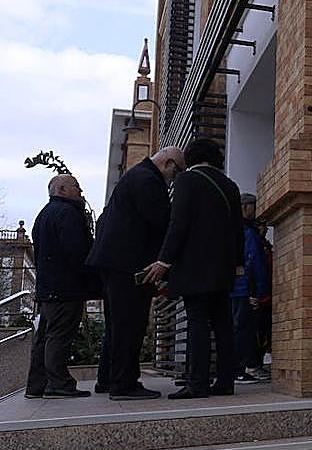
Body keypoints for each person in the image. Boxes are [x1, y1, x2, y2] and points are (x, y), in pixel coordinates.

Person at [144, 138, 244, 400]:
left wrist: (164, 260)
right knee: (223, 324)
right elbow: (237, 229)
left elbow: (179, 223)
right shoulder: (230, 186)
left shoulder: (187, 180)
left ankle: (197, 383)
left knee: (197, 322)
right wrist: (238, 264)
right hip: (223, 267)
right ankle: (225, 381)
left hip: (194, 267)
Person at [87, 147, 184, 400]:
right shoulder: (148, 180)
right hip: (128, 265)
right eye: (177, 172)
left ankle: (108, 379)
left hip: (114, 264)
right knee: (130, 324)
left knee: (117, 325)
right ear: (168, 163)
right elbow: (163, 220)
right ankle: (124, 385)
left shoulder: (133, 177)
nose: (175, 179)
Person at [25, 174, 98, 399]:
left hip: (48, 288)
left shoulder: (44, 215)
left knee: (45, 337)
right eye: (76, 185)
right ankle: (58, 383)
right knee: (59, 336)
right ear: (63, 189)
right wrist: (91, 278)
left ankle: (37, 385)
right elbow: (77, 252)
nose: (81, 190)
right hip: (65, 288)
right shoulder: (67, 214)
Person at [231, 193, 270, 382]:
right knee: (243, 329)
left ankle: (240, 368)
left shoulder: (235, 229)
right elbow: (253, 263)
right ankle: (240, 369)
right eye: (254, 207)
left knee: (241, 328)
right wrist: (257, 292)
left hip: (238, 289)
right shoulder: (247, 233)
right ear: (246, 207)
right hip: (244, 290)